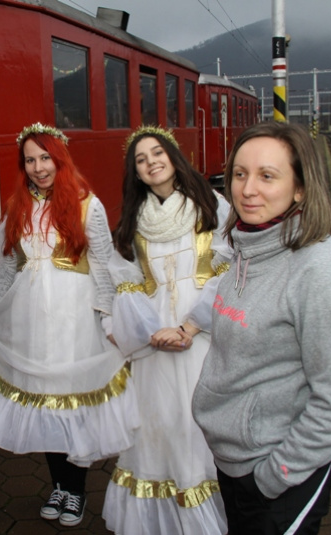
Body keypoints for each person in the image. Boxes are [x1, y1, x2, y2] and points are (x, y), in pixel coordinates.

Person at [0, 123, 139, 528]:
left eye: (45, 158)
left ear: (60, 159)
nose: (38, 167)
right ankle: (58, 484)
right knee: (45, 403)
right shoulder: (17, 205)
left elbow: (103, 265)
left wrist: (109, 317)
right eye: (30, 160)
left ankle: (75, 490)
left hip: (74, 319)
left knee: (71, 404)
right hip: (31, 319)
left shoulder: (86, 203)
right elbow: (5, 263)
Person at [192, 122, 331, 535]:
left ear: (300, 188)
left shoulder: (319, 272)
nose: (247, 189)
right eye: (239, 174)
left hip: (276, 477)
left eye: (267, 176)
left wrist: (275, 476)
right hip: (233, 462)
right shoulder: (247, 246)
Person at [101, 125, 231, 535]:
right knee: (157, 426)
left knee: (196, 425)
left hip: (203, 335)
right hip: (155, 341)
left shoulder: (212, 205)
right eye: (141, 159)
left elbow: (228, 271)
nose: (151, 162)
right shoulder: (133, 221)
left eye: (157, 153)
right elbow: (125, 282)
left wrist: (189, 326)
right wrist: (151, 332)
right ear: (136, 173)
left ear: (174, 157)